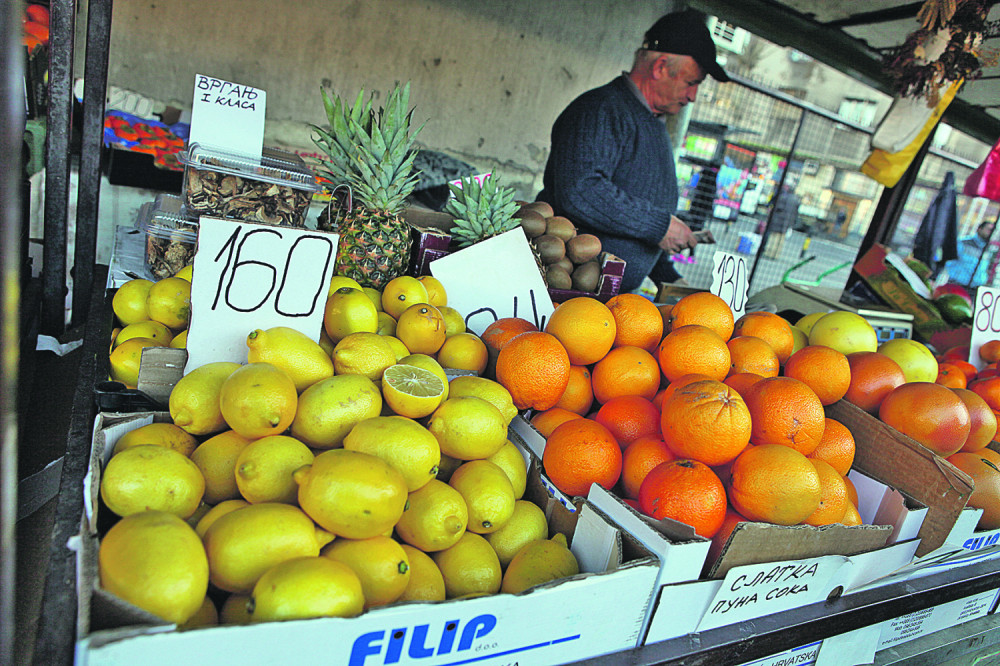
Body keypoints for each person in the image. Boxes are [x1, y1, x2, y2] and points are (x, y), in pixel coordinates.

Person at [536, 9, 729, 292]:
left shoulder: (653, 123)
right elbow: (581, 190)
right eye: (691, 83)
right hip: (568, 296)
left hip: (613, 303)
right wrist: (661, 226)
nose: (693, 96)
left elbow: (636, 226)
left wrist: (672, 280)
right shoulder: (600, 110)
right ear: (660, 67)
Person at [945, 220, 995, 287]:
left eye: (992, 231)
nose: (990, 233)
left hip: (976, 288)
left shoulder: (989, 250)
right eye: (989, 230)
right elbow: (948, 260)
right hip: (957, 284)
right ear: (979, 229)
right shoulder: (963, 243)